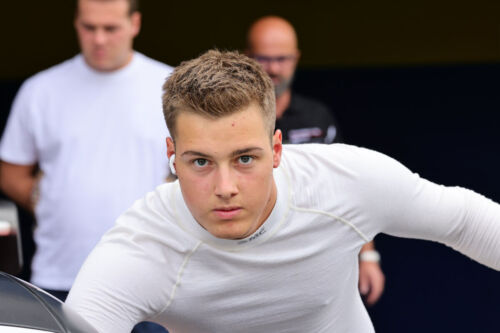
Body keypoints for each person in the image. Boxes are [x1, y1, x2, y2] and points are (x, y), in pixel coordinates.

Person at [65, 49, 500, 332]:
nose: (225, 188)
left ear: (277, 149)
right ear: (171, 155)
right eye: (200, 162)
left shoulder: (344, 181)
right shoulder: (141, 248)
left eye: (245, 159)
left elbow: (462, 219)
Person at [0, 0, 171, 332]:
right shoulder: (40, 90)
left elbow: (201, 165)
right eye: (89, 27)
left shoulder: (171, 87)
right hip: (60, 274)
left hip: (152, 277)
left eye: (111, 28)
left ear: (135, 23)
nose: (100, 39)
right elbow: (10, 172)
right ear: (76, 24)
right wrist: (49, 200)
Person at [246, 15, 384, 305]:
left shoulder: (318, 118)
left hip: (314, 258)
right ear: (247, 57)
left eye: (282, 58)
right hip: (247, 263)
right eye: (264, 58)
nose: (273, 68)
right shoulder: (233, 119)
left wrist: (368, 255)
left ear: (296, 59)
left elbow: (347, 187)